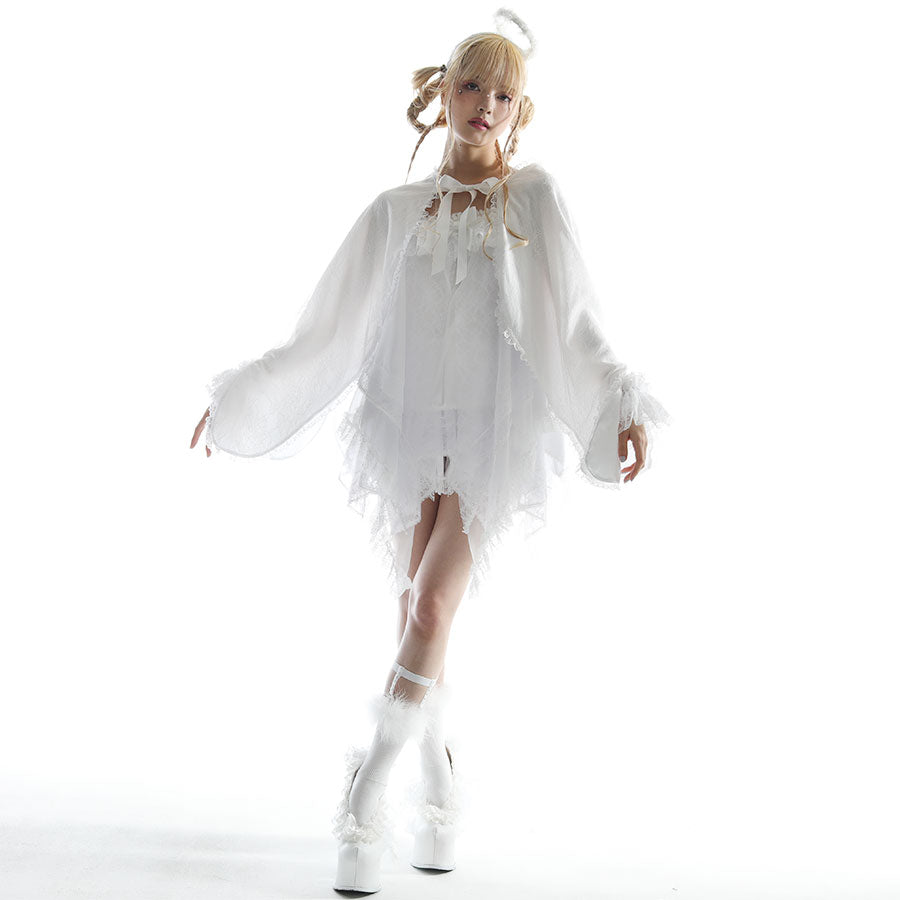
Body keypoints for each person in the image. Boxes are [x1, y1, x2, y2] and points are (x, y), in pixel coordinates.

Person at [190, 8, 671, 893]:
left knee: (431, 605)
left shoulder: (535, 201)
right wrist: (241, 398)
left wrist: (618, 401)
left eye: (504, 94)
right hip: (411, 430)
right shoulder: (395, 211)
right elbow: (325, 327)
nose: (486, 105)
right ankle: (442, 790)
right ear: (442, 93)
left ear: (520, 111)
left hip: (494, 434)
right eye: (472, 86)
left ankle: (364, 795)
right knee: (418, 607)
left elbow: (576, 320)